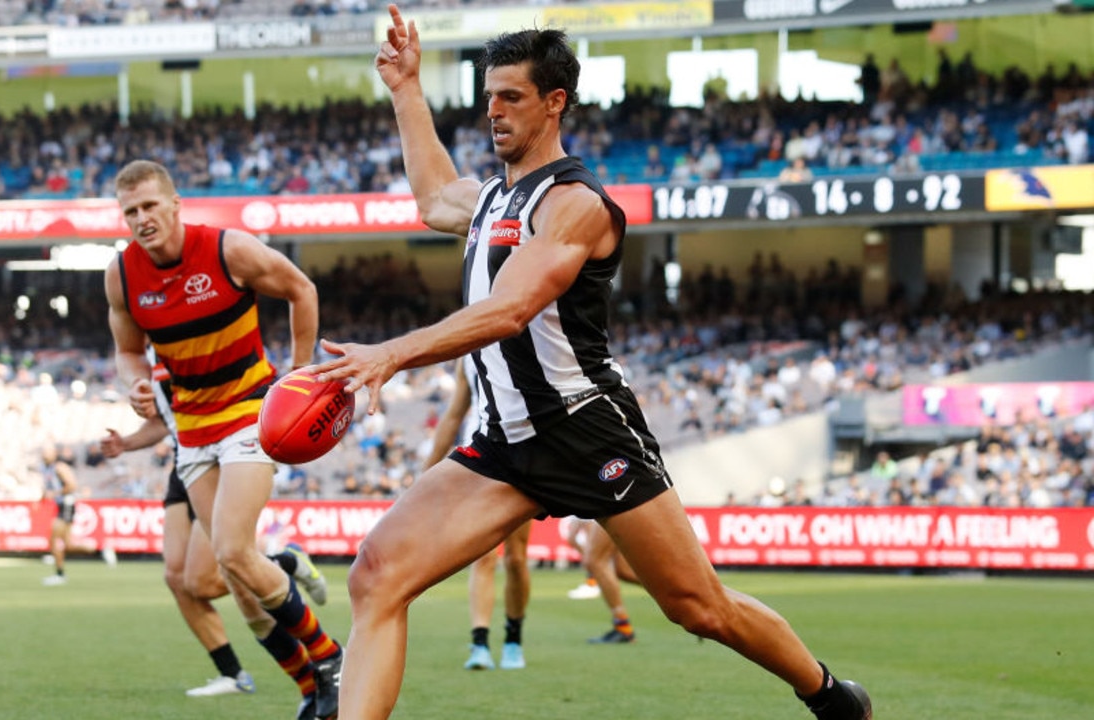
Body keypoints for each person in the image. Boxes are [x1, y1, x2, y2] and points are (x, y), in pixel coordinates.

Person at [306, 7, 872, 719]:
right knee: (377, 575)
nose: (494, 111)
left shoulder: (575, 205)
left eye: (510, 97)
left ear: (555, 102)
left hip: (585, 430)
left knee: (699, 607)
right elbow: (429, 196)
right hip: (509, 443)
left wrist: (391, 354)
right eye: (488, 97)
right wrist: (406, 88)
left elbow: (507, 312)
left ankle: (831, 698)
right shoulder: (493, 199)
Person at [104, 159, 343, 720]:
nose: (141, 219)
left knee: (234, 550)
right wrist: (133, 382)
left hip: (247, 415)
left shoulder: (227, 250)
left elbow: (300, 290)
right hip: (190, 433)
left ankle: (331, 657)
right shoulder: (120, 275)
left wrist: (300, 376)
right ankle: (311, 689)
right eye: (130, 211)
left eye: (149, 207)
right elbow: (126, 349)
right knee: (228, 576)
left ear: (175, 204)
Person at [100, 354, 328, 712]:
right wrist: (126, 443)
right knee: (177, 578)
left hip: (221, 451)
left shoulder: (194, 331)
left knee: (218, 577)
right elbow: (166, 421)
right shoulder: (147, 348)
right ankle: (233, 673)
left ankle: (281, 566)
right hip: (185, 461)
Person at [423, 360, 530, 671]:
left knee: (516, 558)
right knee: (483, 556)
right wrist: (426, 471)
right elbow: (454, 414)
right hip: (482, 462)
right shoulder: (467, 357)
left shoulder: (524, 341)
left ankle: (513, 638)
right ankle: (480, 642)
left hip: (524, 459)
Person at [39, 443, 114, 586]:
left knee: (53, 538)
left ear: (54, 454)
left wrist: (54, 494)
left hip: (67, 505)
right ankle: (101, 550)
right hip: (60, 505)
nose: (44, 455)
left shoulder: (60, 468)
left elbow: (72, 486)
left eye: (47, 452)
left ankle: (60, 574)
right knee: (68, 545)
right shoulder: (46, 469)